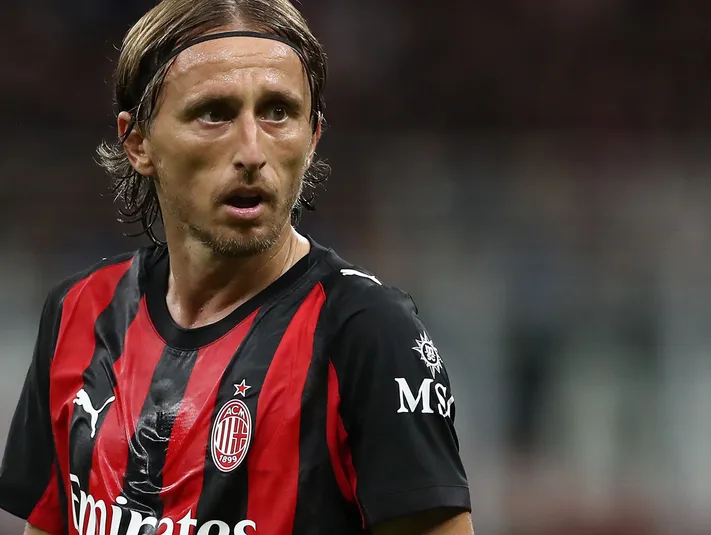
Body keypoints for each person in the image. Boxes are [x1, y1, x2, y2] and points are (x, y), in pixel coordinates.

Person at [0, 1, 473, 534]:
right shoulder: (79, 313)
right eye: (214, 113)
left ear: (313, 137)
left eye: (278, 112)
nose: (252, 150)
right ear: (138, 142)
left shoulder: (365, 334)